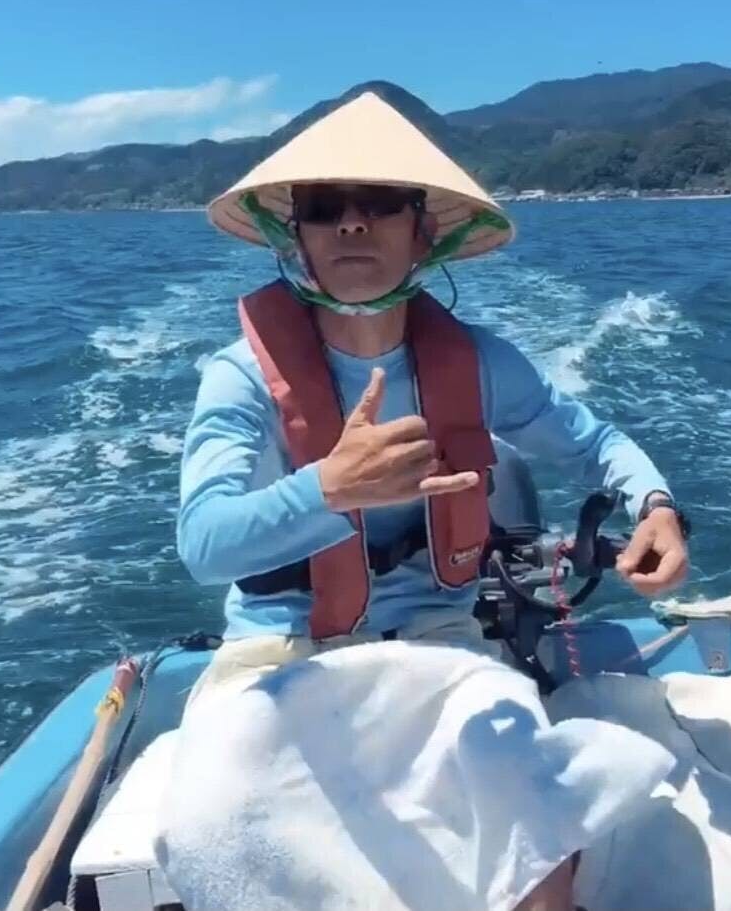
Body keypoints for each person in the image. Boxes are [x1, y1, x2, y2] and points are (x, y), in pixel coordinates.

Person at [162, 92, 689, 910]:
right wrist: (331, 488)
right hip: (281, 655)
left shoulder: (479, 364)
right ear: (294, 235)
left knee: (531, 828)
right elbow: (203, 543)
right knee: (213, 823)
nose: (352, 222)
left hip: (441, 648)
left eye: (379, 202)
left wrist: (655, 504)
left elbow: (593, 440)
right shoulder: (240, 379)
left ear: (423, 231)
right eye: (324, 205)